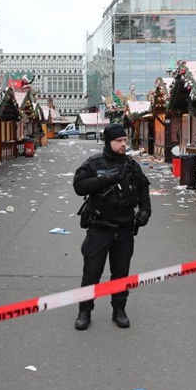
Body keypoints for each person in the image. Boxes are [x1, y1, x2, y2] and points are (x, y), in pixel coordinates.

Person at [72, 123, 152, 330]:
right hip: (100, 226)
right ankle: (84, 311)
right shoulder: (93, 163)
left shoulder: (131, 165)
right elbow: (79, 187)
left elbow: (143, 189)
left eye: (125, 140)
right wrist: (104, 179)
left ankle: (119, 310)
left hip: (124, 228)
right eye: (118, 141)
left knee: (120, 273)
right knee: (91, 273)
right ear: (108, 142)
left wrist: (145, 211)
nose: (123, 144)